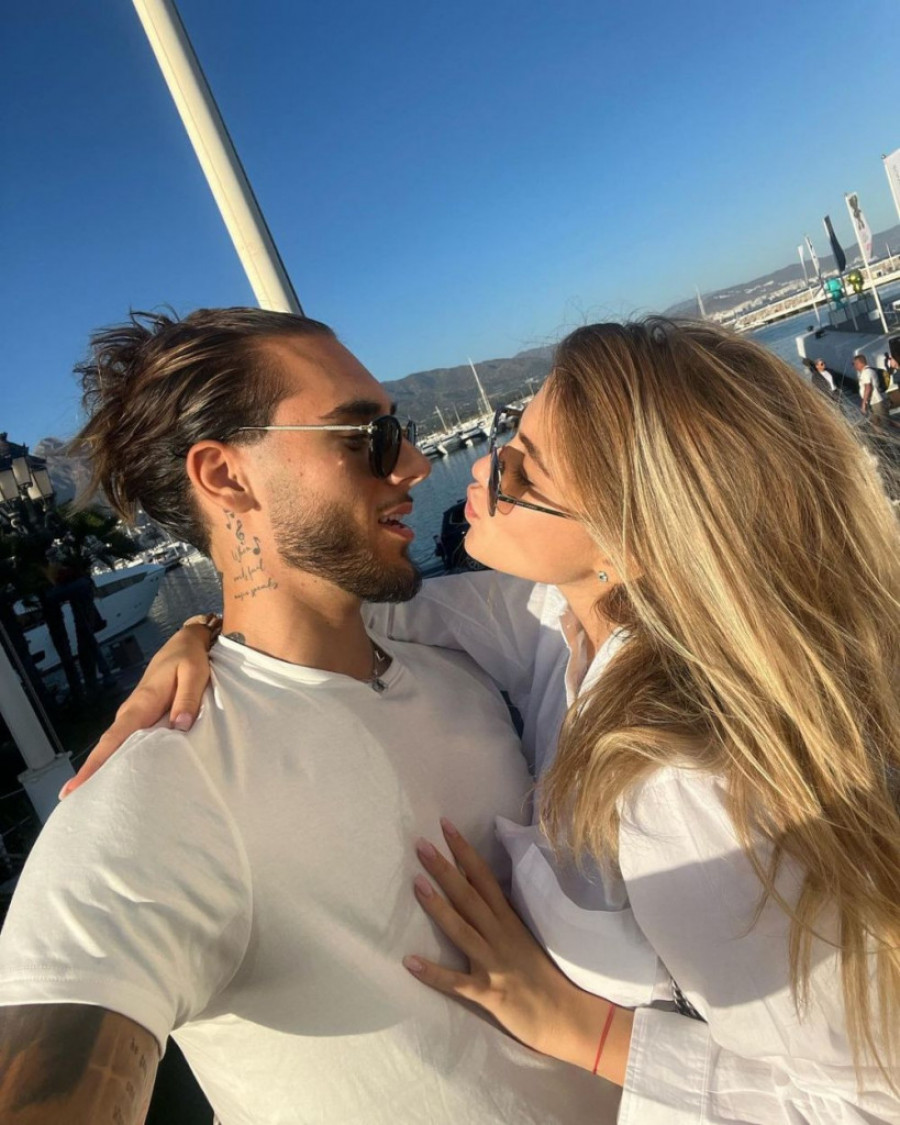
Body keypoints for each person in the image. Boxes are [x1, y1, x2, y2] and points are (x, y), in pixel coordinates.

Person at [74, 318, 900, 1123]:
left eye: (519, 469)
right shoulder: (554, 622)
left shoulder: (681, 780)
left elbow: (865, 1099)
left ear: (631, 540)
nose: (463, 465)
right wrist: (198, 633)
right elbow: (342, 607)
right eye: (507, 435)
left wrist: (586, 1029)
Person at [0, 308, 614, 1125]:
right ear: (225, 477)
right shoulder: (165, 783)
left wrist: (200, 627)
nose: (416, 463)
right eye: (367, 436)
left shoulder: (458, 660)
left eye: (401, 430)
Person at [854, 352, 893, 428]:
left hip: (877, 402)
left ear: (860, 363)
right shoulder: (867, 371)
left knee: (887, 424)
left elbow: (868, 387)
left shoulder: (867, 372)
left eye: (854, 364)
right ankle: (879, 435)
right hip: (873, 402)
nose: (854, 366)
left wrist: (864, 403)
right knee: (875, 424)